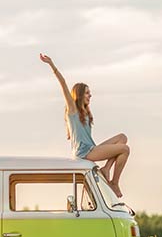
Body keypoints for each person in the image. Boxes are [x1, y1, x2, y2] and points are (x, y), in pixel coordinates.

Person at [39, 53, 130, 197]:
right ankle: (114, 183)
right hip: (84, 153)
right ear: (80, 94)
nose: (90, 95)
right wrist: (51, 65)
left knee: (122, 138)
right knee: (124, 149)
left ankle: (106, 169)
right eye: (87, 93)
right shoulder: (72, 110)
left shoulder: (86, 113)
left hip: (91, 148)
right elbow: (63, 84)